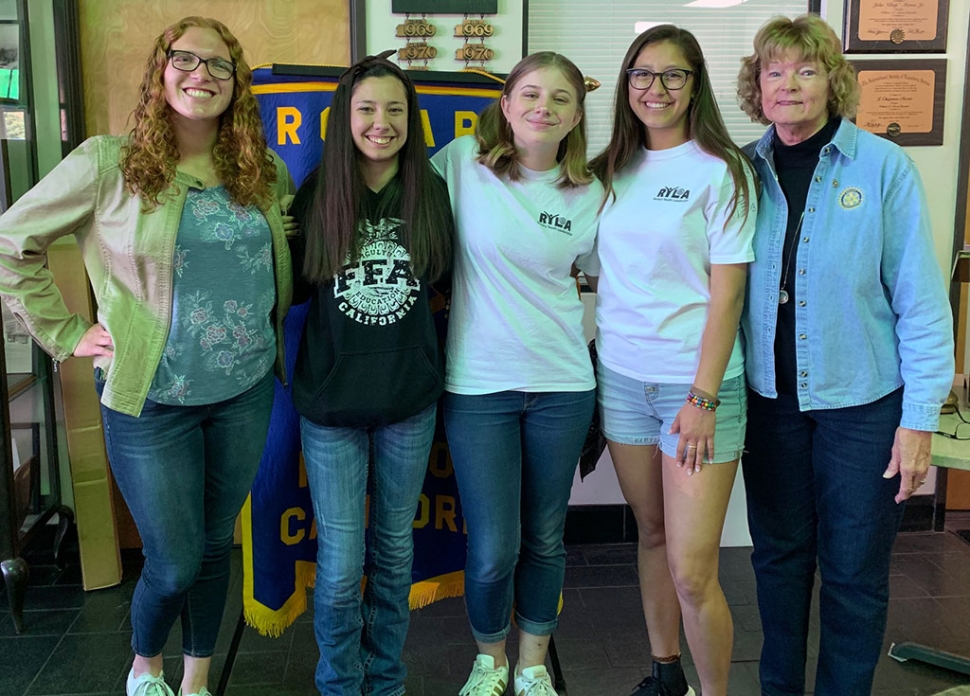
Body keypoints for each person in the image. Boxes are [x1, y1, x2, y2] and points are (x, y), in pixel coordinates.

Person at [0, 16, 294, 696]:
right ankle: (145, 665)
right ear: (160, 71)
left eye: (220, 65)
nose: (203, 75)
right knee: (173, 560)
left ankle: (195, 678)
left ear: (238, 81)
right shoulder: (111, 162)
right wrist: (69, 334)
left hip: (246, 390)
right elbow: (14, 242)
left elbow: (286, 254)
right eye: (186, 59)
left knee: (217, 545)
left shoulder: (262, 169)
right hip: (152, 397)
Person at [737, 14, 954, 696]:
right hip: (770, 405)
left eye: (805, 70)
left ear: (833, 82)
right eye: (774, 71)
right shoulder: (741, 169)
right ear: (757, 86)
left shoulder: (883, 167)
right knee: (777, 563)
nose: (789, 85)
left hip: (863, 406)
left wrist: (918, 420)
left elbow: (921, 299)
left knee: (855, 571)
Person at [588, 24, 756, 696]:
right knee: (653, 534)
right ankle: (665, 676)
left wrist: (704, 397)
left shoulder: (721, 169)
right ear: (626, 84)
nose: (655, 89)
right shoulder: (608, 170)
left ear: (695, 86)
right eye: (642, 75)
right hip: (624, 381)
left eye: (672, 75)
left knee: (693, 568)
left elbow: (728, 293)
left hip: (698, 389)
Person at [430, 52, 601, 696]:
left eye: (560, 99)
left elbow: (627, 271)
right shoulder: (461, 165)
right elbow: (389, 207)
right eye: (530, 94)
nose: (543, 108)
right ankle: (489, 660)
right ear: (505, 104)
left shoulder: (592, 192)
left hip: (562, 384)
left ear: (576, 115)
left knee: (546, 536)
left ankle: (532, 664)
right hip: (477, 385)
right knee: (494, 545)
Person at [287, 52, 453, 696]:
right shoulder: (319, 190)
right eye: (366, 109)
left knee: (394, 554)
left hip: (409, 401)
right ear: (343, 118)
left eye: (394, 109)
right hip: (330, 405)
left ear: (411, 119)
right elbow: (292, 291)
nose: (381, 122)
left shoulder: (429, 190)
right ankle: (338, 682)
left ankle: (385, 680)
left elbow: (441, 282)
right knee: (338, 564)